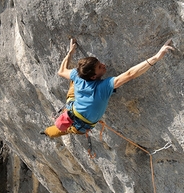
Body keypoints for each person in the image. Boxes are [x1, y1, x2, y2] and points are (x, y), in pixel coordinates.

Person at [42, 38, 174, 138]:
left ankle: (49, 130)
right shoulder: (103, 87)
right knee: (66, 129)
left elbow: (61, 71)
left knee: (74, 82)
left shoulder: (78, 75)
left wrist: (70, 53)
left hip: (73, 104)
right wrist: (157, 57)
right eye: (100, 67)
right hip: (80, 123)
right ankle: (48, 132)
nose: (104, 65)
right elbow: (130, 74)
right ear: (93, 77)